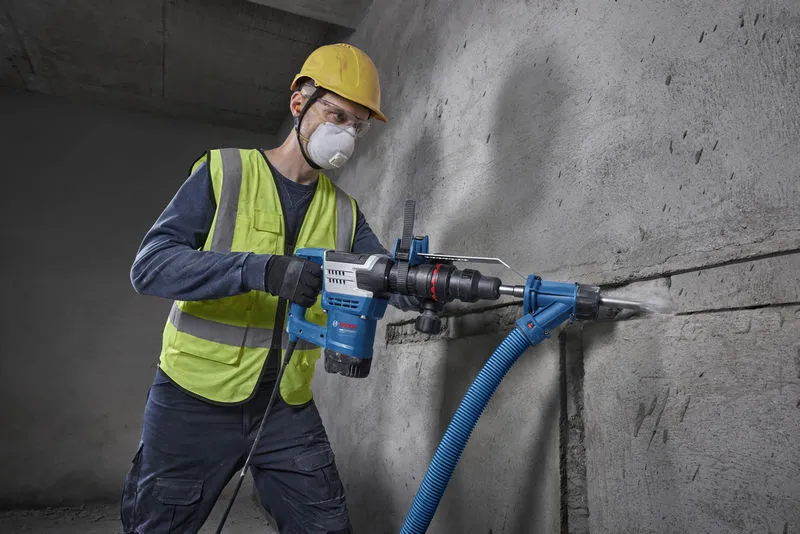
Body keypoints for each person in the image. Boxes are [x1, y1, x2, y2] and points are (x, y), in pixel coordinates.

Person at [121, 43, 408, 534]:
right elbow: (150, 267)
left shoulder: (345, 213)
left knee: (326, 528)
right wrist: (261, 270)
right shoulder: (224, 172)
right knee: (158, 526)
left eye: (357, 125)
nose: (346, 133)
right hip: (193, 400)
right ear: (299, 102)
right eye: (336, 114)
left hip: (285, 407)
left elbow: (386, 276)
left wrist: (428, 283)